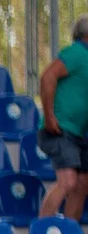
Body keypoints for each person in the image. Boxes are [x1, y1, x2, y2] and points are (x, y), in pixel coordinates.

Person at [38, 14, 88, 220]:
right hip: (61, 130)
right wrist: (49, 116)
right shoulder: (76, 52)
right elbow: (48, 76)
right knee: (68, 182)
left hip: (80, 135)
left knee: (82, 185)